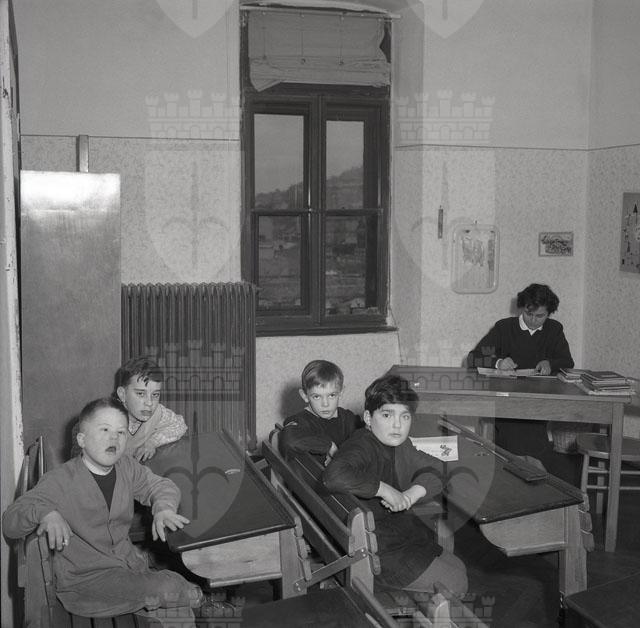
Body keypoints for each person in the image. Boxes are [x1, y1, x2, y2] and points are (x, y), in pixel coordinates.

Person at [2, 397, 203, 623]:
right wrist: (46, 513)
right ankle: (199, 598)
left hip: (125, 565)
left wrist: (163, 508)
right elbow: (11, 521)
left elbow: (160, 485)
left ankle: (184, 596)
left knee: (171, 586)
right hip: (86, 584)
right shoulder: (61, 480)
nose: (113, 438)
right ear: (82, 440)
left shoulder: (126, 466)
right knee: (170, 588)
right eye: (105, 429)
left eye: (121, 432)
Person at [322, 375, 468, 597]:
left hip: (390, 536)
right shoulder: (362, 445)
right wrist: (384, 489)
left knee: (457, 566)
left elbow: (438, 467)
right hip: (376, 551)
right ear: (368, 418)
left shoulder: (400, 444)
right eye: (387, 415)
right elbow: (333, 476)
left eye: (405, 416)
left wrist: (410, 495)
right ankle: (380, 591)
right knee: (457, 582)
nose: (397, 425)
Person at [468, 283, 580, 484]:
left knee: (530, 433)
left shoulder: (554, 330)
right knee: (519, 435)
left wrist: (550, 363)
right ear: (522, 308)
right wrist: (498, 362)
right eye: (529, 314)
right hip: (506, 400)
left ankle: (525, 475)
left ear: (549, 314)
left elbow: (567, 361)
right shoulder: (504, 328)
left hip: (538, 399)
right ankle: (529, 475)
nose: (534, 321)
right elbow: (473, 358)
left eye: (540, 316)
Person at [71, 356, 187, 461]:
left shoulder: (157, 413)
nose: (149, 403)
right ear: (122, 394)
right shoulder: (105, 418)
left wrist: (152, 442)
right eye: (141, 394)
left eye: (155, 394)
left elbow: (179, 425)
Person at [278, 360, 363, 465]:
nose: (325, 404)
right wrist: (329, 446)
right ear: (305, 396)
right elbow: (289, 439)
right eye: (317, 397)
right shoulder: (300, 420)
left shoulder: (348, 418)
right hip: (314, 475)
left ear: (341, 392)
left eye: (331, 395)